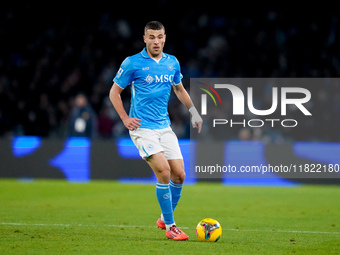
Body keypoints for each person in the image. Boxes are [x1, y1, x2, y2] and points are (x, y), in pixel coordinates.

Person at [109, 21, 203, 241]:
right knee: (163, 171)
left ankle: (163, 217)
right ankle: (171, 227)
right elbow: (114, 92)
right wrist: (124, 118)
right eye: (151, 37)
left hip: (164, 127)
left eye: (159, 37)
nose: (156, 41)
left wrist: (194, 112)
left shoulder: (172, 63)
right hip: (143, 129)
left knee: (179, 175)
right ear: (144, 39)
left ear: (165, 38)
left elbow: (179, 89)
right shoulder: (132, 63)